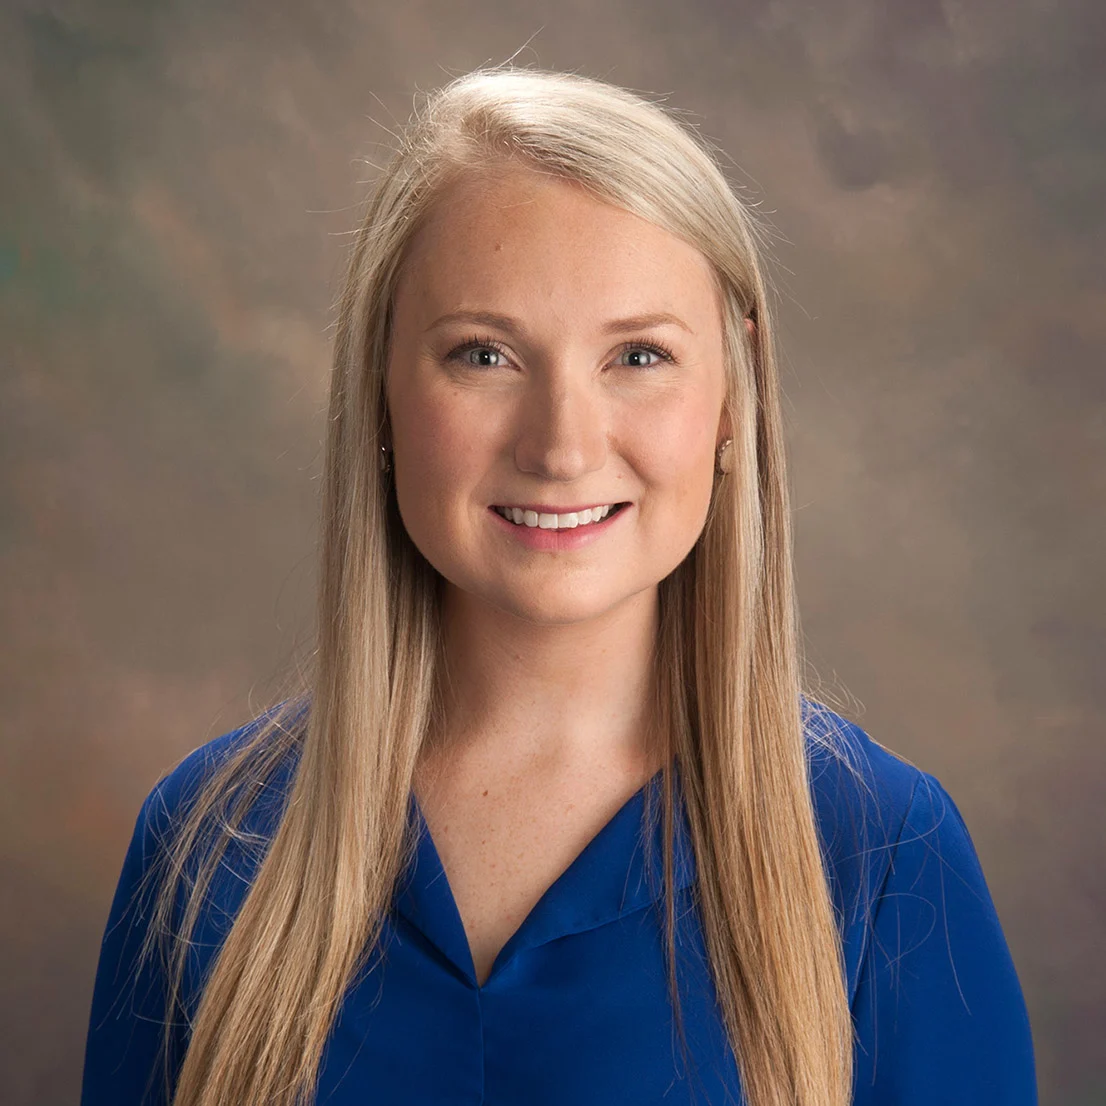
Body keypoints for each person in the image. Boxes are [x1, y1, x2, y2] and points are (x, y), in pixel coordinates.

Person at [80, 66, 1037, 1106]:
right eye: (484, 354)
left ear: (733, 394)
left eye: (636, 354)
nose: (561, 445)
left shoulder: (885, 856)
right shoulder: (205, 841)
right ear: (379, 386)